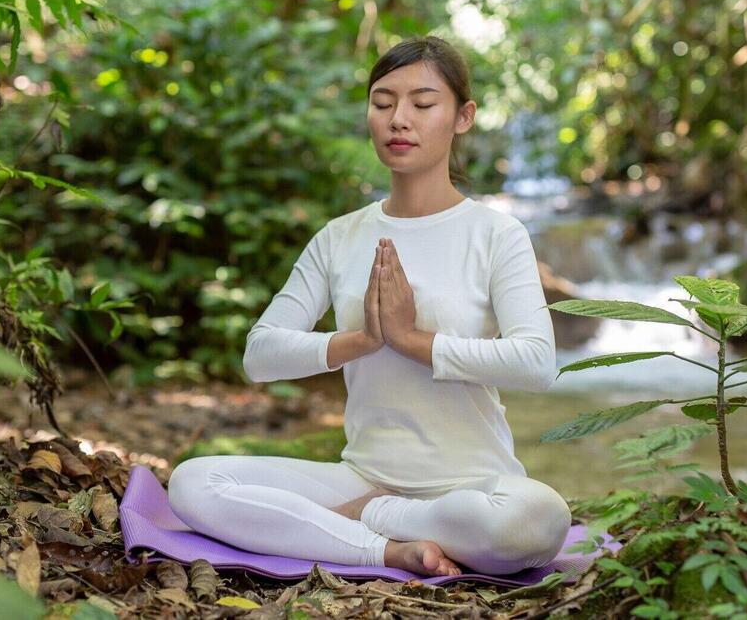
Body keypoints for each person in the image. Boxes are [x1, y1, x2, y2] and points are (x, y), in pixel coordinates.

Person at [166, 35, 570, 577]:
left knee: (537, 519)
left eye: (422, 104)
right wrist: (360, 340)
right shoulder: (340, 237)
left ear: (463, 117)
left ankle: (377, 517)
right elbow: (260, 355)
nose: (399, 119)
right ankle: (388, 549)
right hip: (362, 472)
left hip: (474, 486)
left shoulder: (497, 234)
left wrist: (411, 340)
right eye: (383, 103)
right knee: (194, 483)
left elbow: (537, 363)